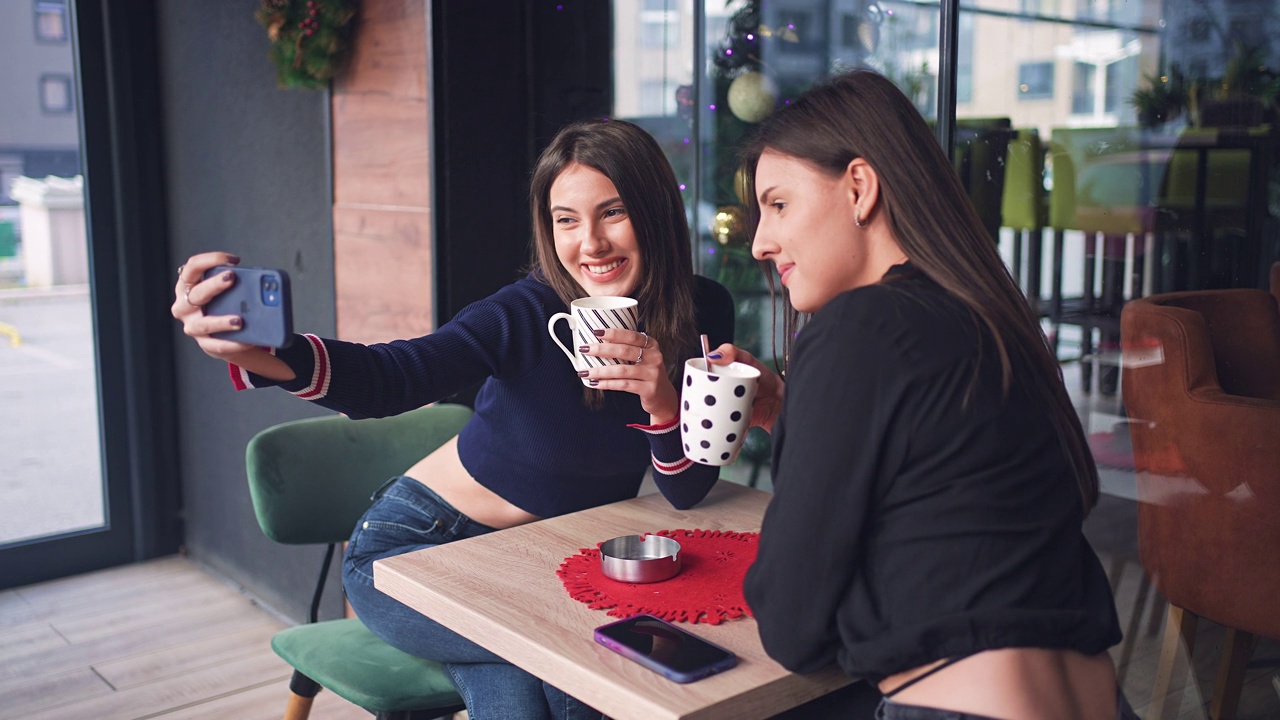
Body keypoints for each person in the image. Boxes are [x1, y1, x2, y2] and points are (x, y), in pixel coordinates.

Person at [172, 118, 735, 720]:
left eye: (613, 212)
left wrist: (663, 400)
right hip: (413, 549)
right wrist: (265, 353)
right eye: (566, 219)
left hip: (539, 561)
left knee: (572, 692)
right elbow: (394, 376)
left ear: (654, 212)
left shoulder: (703, 312)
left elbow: (686, 492)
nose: (590, 244)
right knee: (554, 668)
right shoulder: (523, 314)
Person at [710, 70, 1134, 720]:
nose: (761, 242)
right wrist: (796, 409)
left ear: (859, 186)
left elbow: (793, 626)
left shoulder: (855, 326)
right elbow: (948, 494)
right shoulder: (989, 318)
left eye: (779, 204)